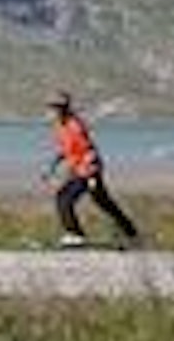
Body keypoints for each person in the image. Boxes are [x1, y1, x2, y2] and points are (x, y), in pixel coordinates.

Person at [41, 90, 140, 248]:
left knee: (63, 198)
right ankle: (132, 234)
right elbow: (66, 150)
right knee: (104, 203)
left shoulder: (75, 125)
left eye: (54, 108)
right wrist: (52, 166)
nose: (50, 111)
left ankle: (75, 234)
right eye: (51, 107)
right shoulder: (62, 126)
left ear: (62, 109)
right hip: (80, 170)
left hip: (87, 171)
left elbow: (89, 150)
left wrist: (91, 176)